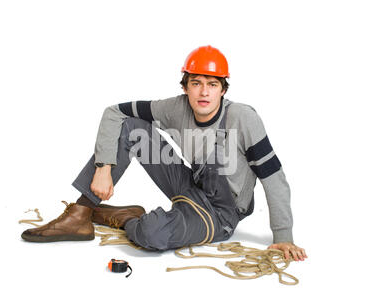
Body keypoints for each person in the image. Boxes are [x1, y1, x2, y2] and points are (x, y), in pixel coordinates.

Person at [22, 45, 307, 261]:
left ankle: (126, 218)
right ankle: (81, 213)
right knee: (133, 127)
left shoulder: (243, 118)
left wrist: (283, 236)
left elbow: (274, 177)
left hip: (221, 213)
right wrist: (104, 165)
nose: (203, 93)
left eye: (212, 84)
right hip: (190, 185)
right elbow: (115, 113)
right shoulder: (175, 107)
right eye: (196, 83)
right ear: (185, 87)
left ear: (223, 89)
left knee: (150, 234)